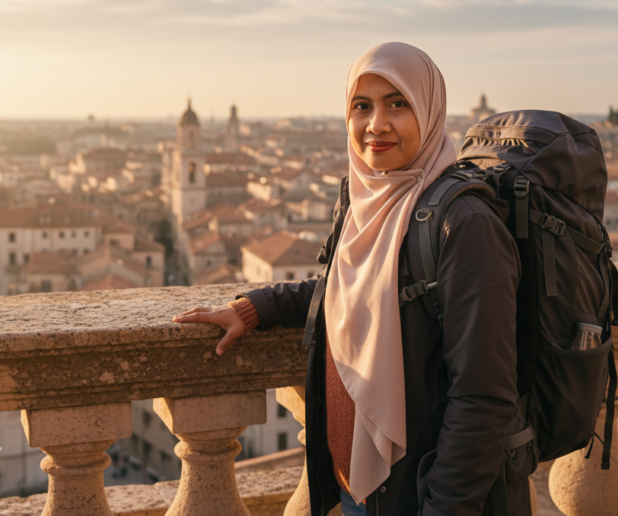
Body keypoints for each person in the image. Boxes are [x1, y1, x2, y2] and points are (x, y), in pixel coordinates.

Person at [173, 42, 528, 515]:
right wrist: (255, 307)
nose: (375, 124)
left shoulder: (465, 223)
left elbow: (483, 398)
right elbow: (352, 289)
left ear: (429, 109)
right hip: (365, 492)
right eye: (362, 106)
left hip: (424, 497)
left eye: (397, 103)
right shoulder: (368, 201)